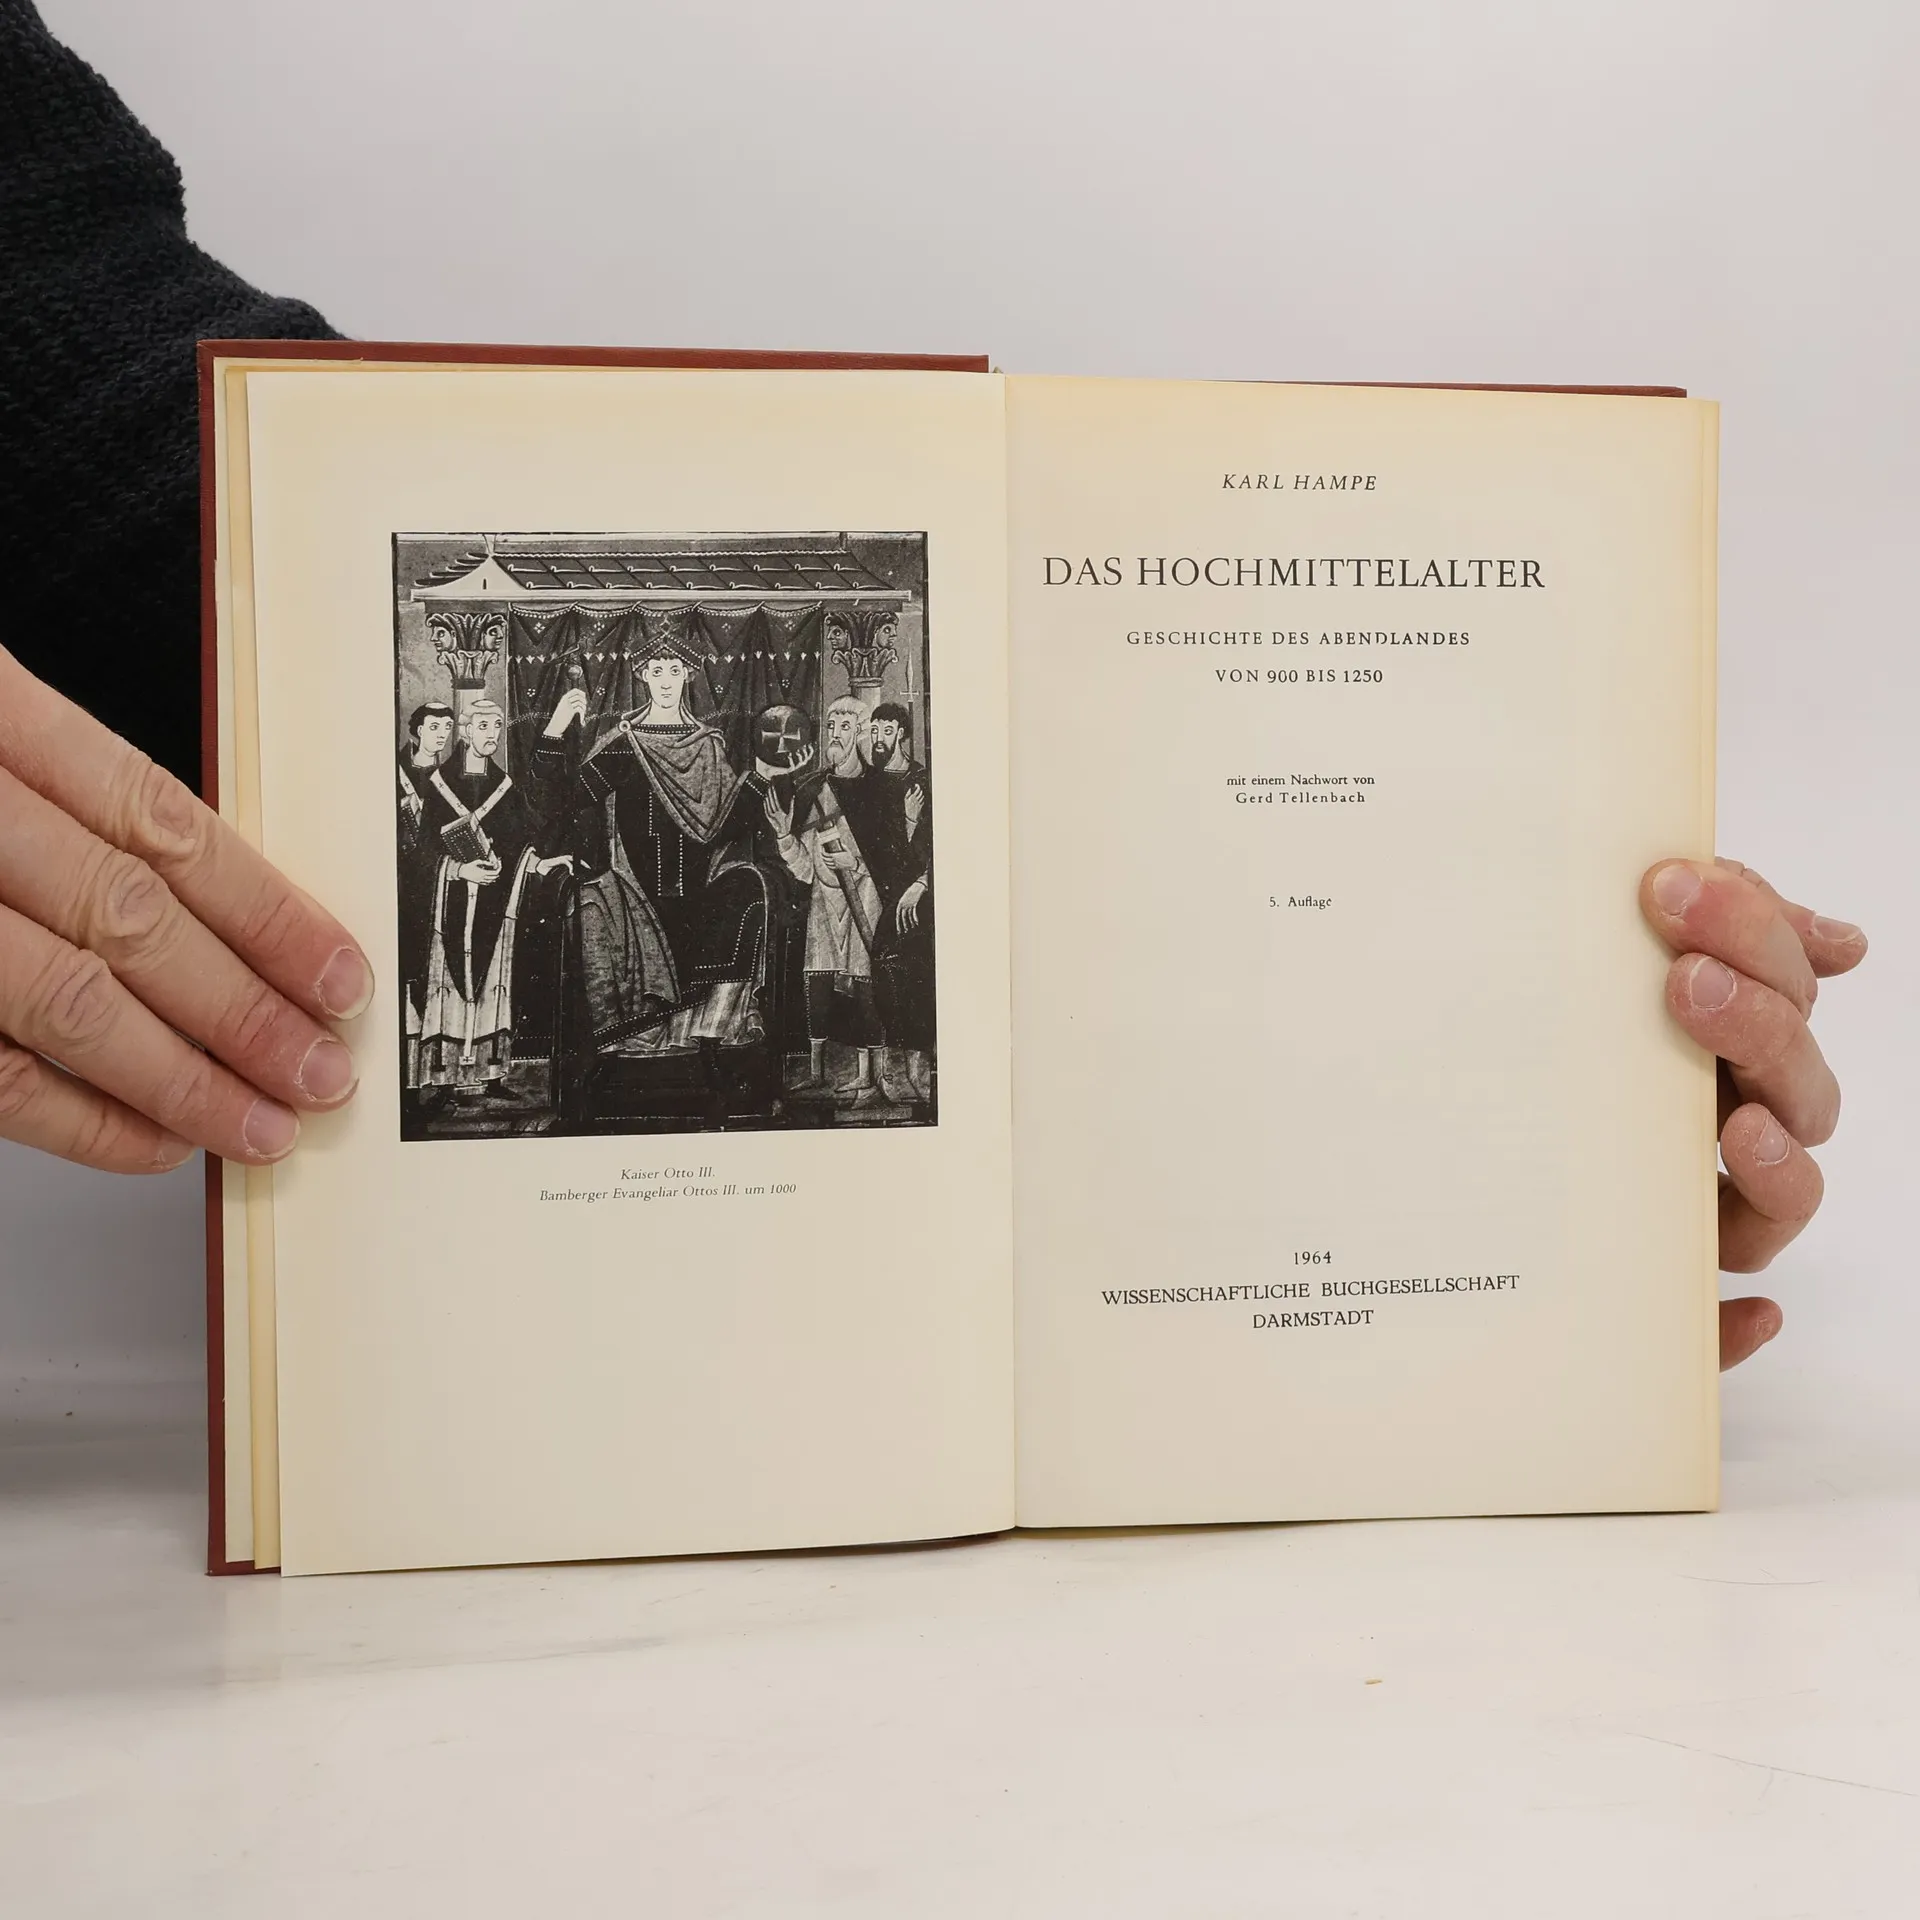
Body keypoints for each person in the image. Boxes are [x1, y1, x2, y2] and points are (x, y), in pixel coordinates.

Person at [0, 0, 1867, 1368]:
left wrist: (1509, 987)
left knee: (779, 918)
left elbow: (96, 407)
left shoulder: (777, 755)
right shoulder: (647, 749)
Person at [528, 639, 768, 1062]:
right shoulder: (625, 743)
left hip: (698, 888)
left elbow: (728, 825)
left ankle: (705, 1030)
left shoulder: (708, 745)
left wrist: (762, 776)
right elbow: (564, 799)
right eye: (656, 671)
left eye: (674, 671)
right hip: (636, 887)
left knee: (748, 890)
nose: (666, 681)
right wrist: (555, 729)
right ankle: (641, 1037)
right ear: (642, 677)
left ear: (688, 676)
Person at [411, 700, 571, 1100]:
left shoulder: (505, 786)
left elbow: (518, 843)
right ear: (466, 732)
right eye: (483, 726)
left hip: (493, 905)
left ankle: (491, 1075)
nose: (492, 734)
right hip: (451, 903)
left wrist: (539, 863)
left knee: (493, 985)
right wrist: (459, 870)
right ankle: (444, 1079)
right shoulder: (439, 785)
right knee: (448, 985)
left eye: (497, 726)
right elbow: (423, 853)